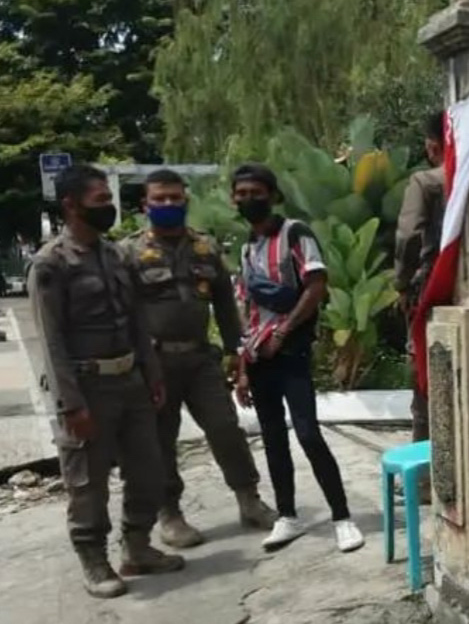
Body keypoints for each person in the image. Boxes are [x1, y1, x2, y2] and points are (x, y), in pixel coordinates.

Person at [29, 164, 184, 599]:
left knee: (149, 470)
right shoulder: (51, 264)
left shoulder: (115, 255)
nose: (109, 208)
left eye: (109, 199)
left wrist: (152, 374)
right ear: (70, 205)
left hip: (131, 381)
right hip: (87, 387)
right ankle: (93, 560)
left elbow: (136, 319)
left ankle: (137, 548)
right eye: (100, 201)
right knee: (87, 483)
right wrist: (70, 404)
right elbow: (51, 340)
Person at [120, 169, 277, 549]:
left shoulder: (205, 249)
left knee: (225, 428)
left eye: (176, 198)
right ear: (146, 205)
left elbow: (225, 307)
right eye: (160, 199)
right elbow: (123, 313)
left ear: (186, 201)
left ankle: (248, 500)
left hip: (200, 361)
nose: (169, 204)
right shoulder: (127, 253)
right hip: (155, 362)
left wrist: (235, 355)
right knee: (160, 441)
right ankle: (169, 514)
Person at [230, 163, 365, 553]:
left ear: (273, 195)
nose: (248, 200)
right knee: (272, 438)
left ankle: (342, 517)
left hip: (290, 352)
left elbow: (316, 285)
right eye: (240, 194)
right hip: (259, 357)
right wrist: (242, 368)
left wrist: (284, 332)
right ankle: (287, 515)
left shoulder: (294, 234)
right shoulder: (246, 247)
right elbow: (247, 309)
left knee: (307, 433)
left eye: (256, 192)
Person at [394, 111, 447, 442]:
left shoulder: (426, 182)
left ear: (431, 145)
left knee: (425, 383)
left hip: (431, 289)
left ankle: (426, 473)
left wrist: (402, 282)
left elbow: (408, 236)